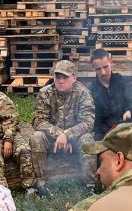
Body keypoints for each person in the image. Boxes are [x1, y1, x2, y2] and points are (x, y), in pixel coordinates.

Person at [27, 60, 97, 194]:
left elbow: (88, 122)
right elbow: (38, 121)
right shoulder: (45, 92)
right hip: (52, 137)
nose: (60, 81)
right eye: (57, 76)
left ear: (74, 78)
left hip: (75, 137)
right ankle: (41, 183)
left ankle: (90, 185)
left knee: (87, 140)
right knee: (36, 138)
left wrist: (67, 135)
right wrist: (59, 135)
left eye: (65, 77)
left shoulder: (83, 93)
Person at [86, 48, 132, 137]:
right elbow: (95, 119)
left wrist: (129, 111)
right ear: (93, 68)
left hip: (127, 128)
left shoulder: (125, 81)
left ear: (111, 63)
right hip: (104, 133)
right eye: (98, 69)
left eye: (105, 67)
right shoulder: (91, 90)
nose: (103, 72)